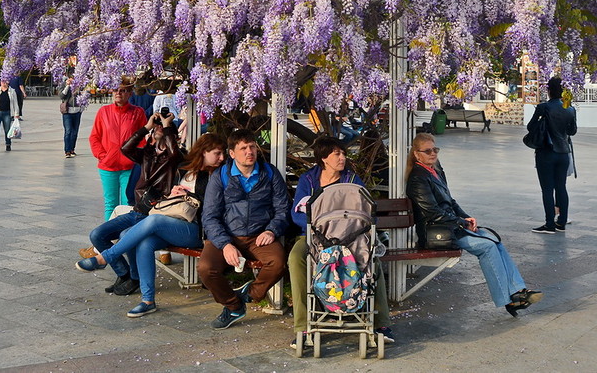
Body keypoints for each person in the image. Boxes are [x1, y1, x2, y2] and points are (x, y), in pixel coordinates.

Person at [77, 132, 226, 316]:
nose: (222, 158)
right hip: (172, 221)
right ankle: (148, 300)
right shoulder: (185, 169)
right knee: (143, 242)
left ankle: (104, 258)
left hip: (196, 230)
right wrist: (173, 193)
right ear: (204, 152)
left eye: (222, 153)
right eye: (217, 153)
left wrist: (189, 196)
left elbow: (213, 207)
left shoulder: (217, 175)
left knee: (153, 220)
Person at [407, 132, 542, 316]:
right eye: (428, 151)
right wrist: (460, 222)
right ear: (417, 154)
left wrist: (466, 218)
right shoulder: (418, 178)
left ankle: (518, 291)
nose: (433, 154)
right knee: (486, 247)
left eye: (435, 149)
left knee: (494, 240)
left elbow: (450, 201)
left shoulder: (435, 171)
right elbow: (432, 212)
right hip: (436, 231)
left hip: (450, 225)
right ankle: (508, 300)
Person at [289, 136, 394, 344]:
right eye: (337, 154)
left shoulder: (352, 180)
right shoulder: (308, 180)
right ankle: (302, 327)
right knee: (295, 259)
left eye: (343, 153)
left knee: (374, 261)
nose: (342, 158)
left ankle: (381, 324)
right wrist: (314, 229)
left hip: (350, 239)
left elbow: (368, 209)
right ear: (323, 158)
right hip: (315, 238)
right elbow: (296, 213)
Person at [199, 129, 290, 330]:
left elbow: (283, 208)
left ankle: (250, 294)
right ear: (232, 153)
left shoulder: (269, 172)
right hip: (227, 234)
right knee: (206, 269)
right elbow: (210, 216)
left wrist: (272, 230)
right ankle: (233, 306)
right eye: (243, 148)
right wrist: (225, 244)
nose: (249, 152)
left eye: (252, 147)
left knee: (278, 263)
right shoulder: (220, 175)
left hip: (259, 235)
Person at [89, 80, 147, 220]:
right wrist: (103, 155)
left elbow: (144, 139)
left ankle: (125, 237)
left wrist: (135, 157)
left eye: (122, 90)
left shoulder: (137, 112)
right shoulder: (104, 112)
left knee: (128, 204)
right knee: (110, 204)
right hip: (108, 166)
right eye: (115, 90)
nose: (118, 93)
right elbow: (94, 137)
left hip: (130, 168)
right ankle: (109, 235)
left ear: (129, 94)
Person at [528, 76, 577, 233]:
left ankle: (549, 223)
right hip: (563, 153)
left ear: (548, 90)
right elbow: (572, 131)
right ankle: (561, 222)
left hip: (546, 152)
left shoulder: (544, 107)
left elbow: (530, 126)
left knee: (547, 189)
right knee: (561, 187)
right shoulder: (570, 108)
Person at [60, 77, 86, 158]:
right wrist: (67, 86)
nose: (72, 80)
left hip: (77, 111)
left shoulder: (80, 85)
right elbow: (61, 96)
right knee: (68, 131)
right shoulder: (64, 84)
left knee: (75, 132)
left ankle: (72, 149)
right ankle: (67, 151)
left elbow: (84, 96)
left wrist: (82, 108)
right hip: (67, 111)